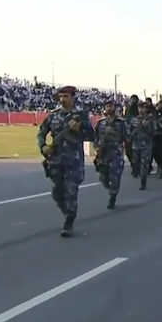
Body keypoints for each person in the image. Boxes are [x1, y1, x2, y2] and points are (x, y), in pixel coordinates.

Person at [36, 86, 96, 237]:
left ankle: (69, 222)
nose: (63, 100)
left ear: (73, 98)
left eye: (66, 96)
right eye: (61, 96)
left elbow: (91, 136)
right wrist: (43, 146)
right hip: (56, 160)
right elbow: (41, 133)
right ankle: (67, 212)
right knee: (57, 193)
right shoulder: (53, 116)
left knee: (71, 191)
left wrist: (79, 129)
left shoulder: (80, 116)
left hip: (73, 161)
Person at [94, 100, 130, 209]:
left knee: (114, 177)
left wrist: (114, 133)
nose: (109, 108)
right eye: (107, 106)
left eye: (111, 106)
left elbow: (127, 138)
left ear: (114, 108)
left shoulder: (121, 123)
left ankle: (112, 197)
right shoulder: (101, 123)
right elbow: (95, 137)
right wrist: (96, 147)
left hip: (115, 153)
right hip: (103, 154)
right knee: (103, 177)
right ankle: (110, 189)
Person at [129, 102, 155, 190]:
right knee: (135, 163)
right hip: (136, 145)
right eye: (139, 108)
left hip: (146, 145)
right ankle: (137, 173)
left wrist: (146, 126)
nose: (141, 110)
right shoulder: (134, 120)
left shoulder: (150, 120)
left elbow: (152, 132)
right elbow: (130, 131)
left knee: (144, 164)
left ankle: (143, 182)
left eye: (143, 108)